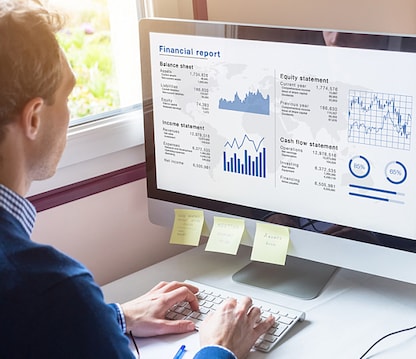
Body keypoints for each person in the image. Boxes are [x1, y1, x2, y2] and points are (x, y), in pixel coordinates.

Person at [0, 1, 274, 358]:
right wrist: (219, 349)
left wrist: (111, 317)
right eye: (68, 96)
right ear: (33, 117)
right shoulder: (53, 291)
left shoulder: (50, 301)